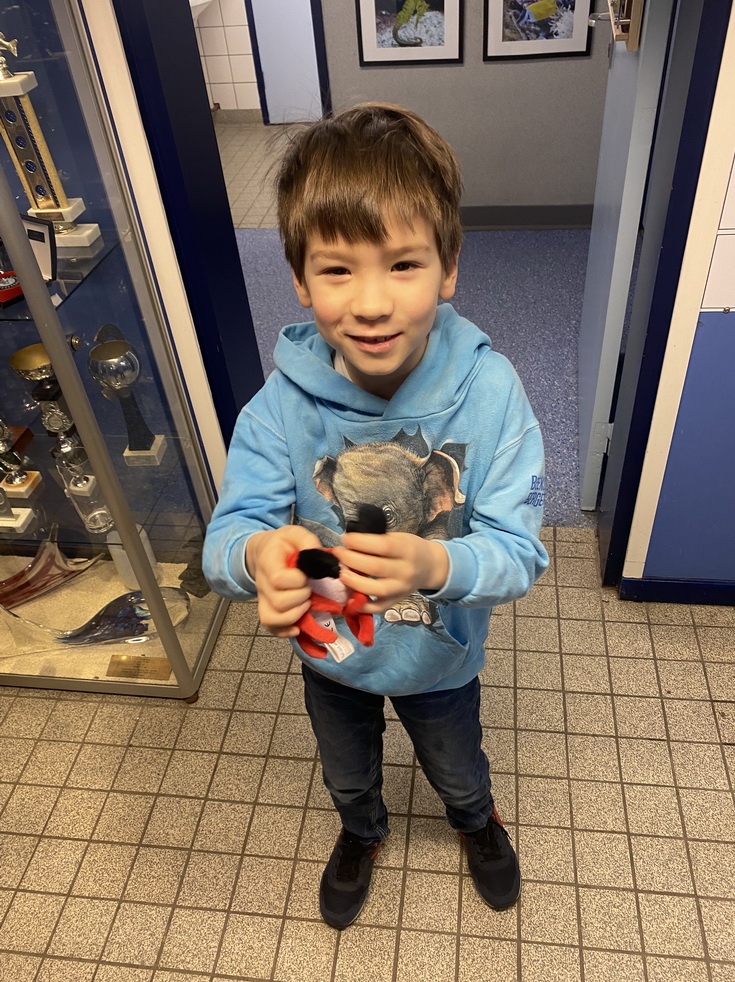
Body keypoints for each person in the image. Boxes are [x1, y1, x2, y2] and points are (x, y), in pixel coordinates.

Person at [203, 102, 549, 930]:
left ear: (449, 266)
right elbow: (227, 535)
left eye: (402, 264)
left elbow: (520, 553)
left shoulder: (492, 393)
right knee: (347, 772)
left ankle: (476, 821)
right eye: (335, 269)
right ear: (298, 277)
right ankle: (362, 831)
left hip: (441, 662)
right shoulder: (278, 409)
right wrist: (257, 558)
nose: (370, 303)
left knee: (456, 764)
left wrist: (439, 566)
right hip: (332, 658)